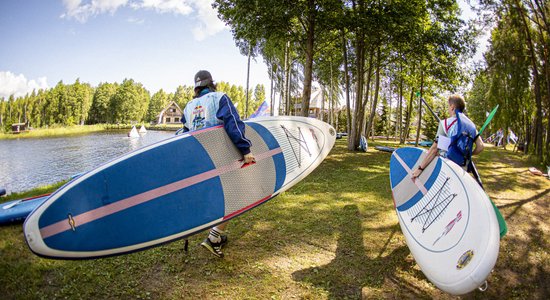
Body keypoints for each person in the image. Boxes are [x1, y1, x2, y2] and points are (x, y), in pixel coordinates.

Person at [181, 70, 255, 258]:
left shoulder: (188, 107)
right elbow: (234, 124)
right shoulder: (220, 97)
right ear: (211, 83)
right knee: (236, 195)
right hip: (219, 157)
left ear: (196, 87)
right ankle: (214, 237)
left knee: (211, 195)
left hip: (198, 160)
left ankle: (206, 232)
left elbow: (183, 136)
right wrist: (245, 150)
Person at [412, 95, 484, 180]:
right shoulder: (470, 125)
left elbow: (434, 149)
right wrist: (466, 154)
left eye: (448, 106)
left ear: (452, 107)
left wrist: (420, 169)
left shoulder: (445, 123)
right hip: (463, 172)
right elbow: (480, 147)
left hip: (447, 168)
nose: (448, 109)